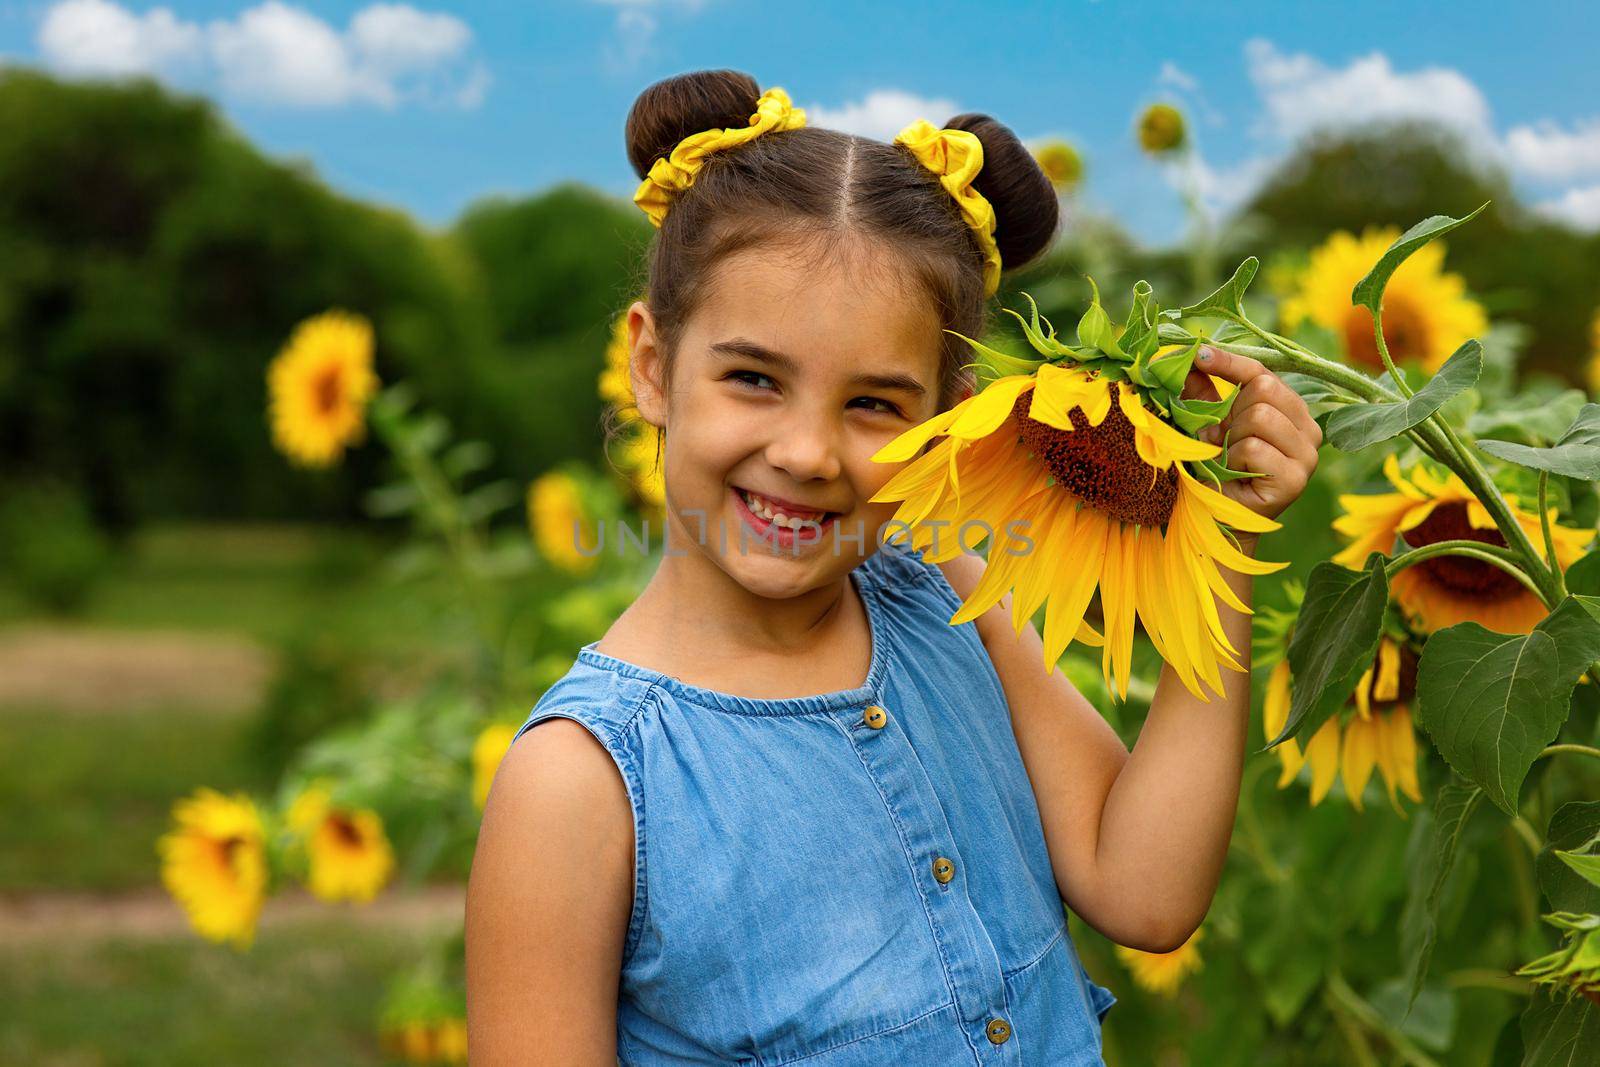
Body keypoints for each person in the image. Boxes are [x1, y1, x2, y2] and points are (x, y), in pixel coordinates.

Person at [466, 69, 1322, 1065]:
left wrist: (1221, 533)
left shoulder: (943, 593)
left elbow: (1145, 886)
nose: (807, 452)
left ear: (947, 418)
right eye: (753, 378)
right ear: (652, 366)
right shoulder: (580, 782)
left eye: (873, 402)